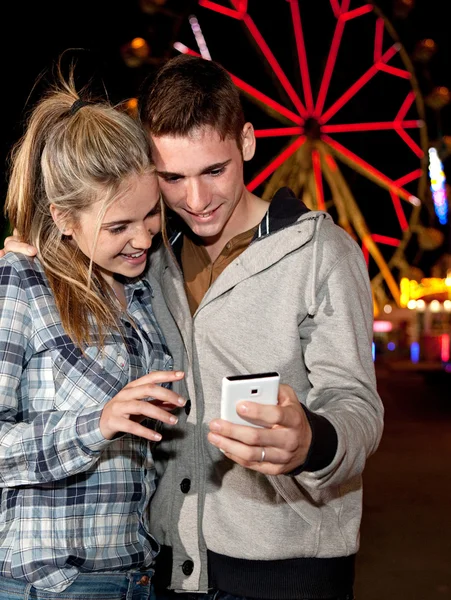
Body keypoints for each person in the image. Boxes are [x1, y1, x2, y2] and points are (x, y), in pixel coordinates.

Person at [3, 54, 384, 600]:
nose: (197, 200)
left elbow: (357, 402)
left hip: (286, 570)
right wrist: (33, 256)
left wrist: (312, 442)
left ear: (247, 143)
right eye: (172, 179)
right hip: (168, 567)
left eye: (214, 170)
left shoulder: (321, 253)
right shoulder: (148, 260)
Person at [0, 57, 187, 600]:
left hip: (140, 573)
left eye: (152, 214)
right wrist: (95, 424)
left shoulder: (144, 287)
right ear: (63, 219)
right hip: (52, 582)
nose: (143, 238)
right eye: (119, 226)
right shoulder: (21, 284)